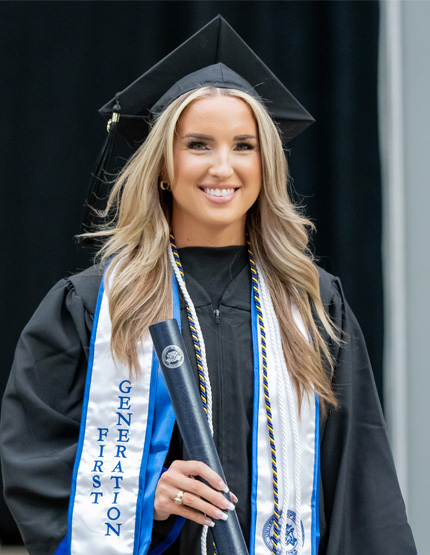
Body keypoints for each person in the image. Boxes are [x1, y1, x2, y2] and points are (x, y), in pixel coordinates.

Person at [0, 15, 416, 555]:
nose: (224, 167)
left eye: (244, 146)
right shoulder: (93, 305)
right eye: (199, 144)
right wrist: (146, 499)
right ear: (165, 165)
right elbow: (34, 460)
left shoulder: (312, 305)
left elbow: (362, 481)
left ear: (265, 163)